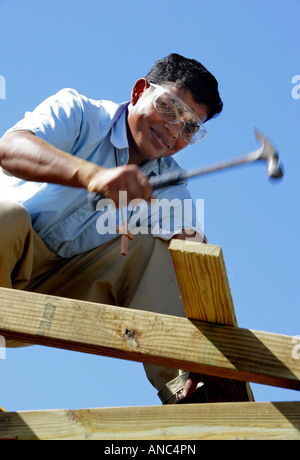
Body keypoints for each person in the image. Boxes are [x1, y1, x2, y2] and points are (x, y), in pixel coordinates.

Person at [0, 53, 223, 404]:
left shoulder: (171, 187)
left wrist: (203, 350)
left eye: (190, 127)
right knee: (6, 216)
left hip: (61, 287)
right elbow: (10, 147)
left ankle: (189, 389)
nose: (174, 130)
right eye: (170, 108)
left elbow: (194, 259)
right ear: (138, 92)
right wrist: (93, 175)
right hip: (6, 253)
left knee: (160, 251)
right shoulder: (78, 113)